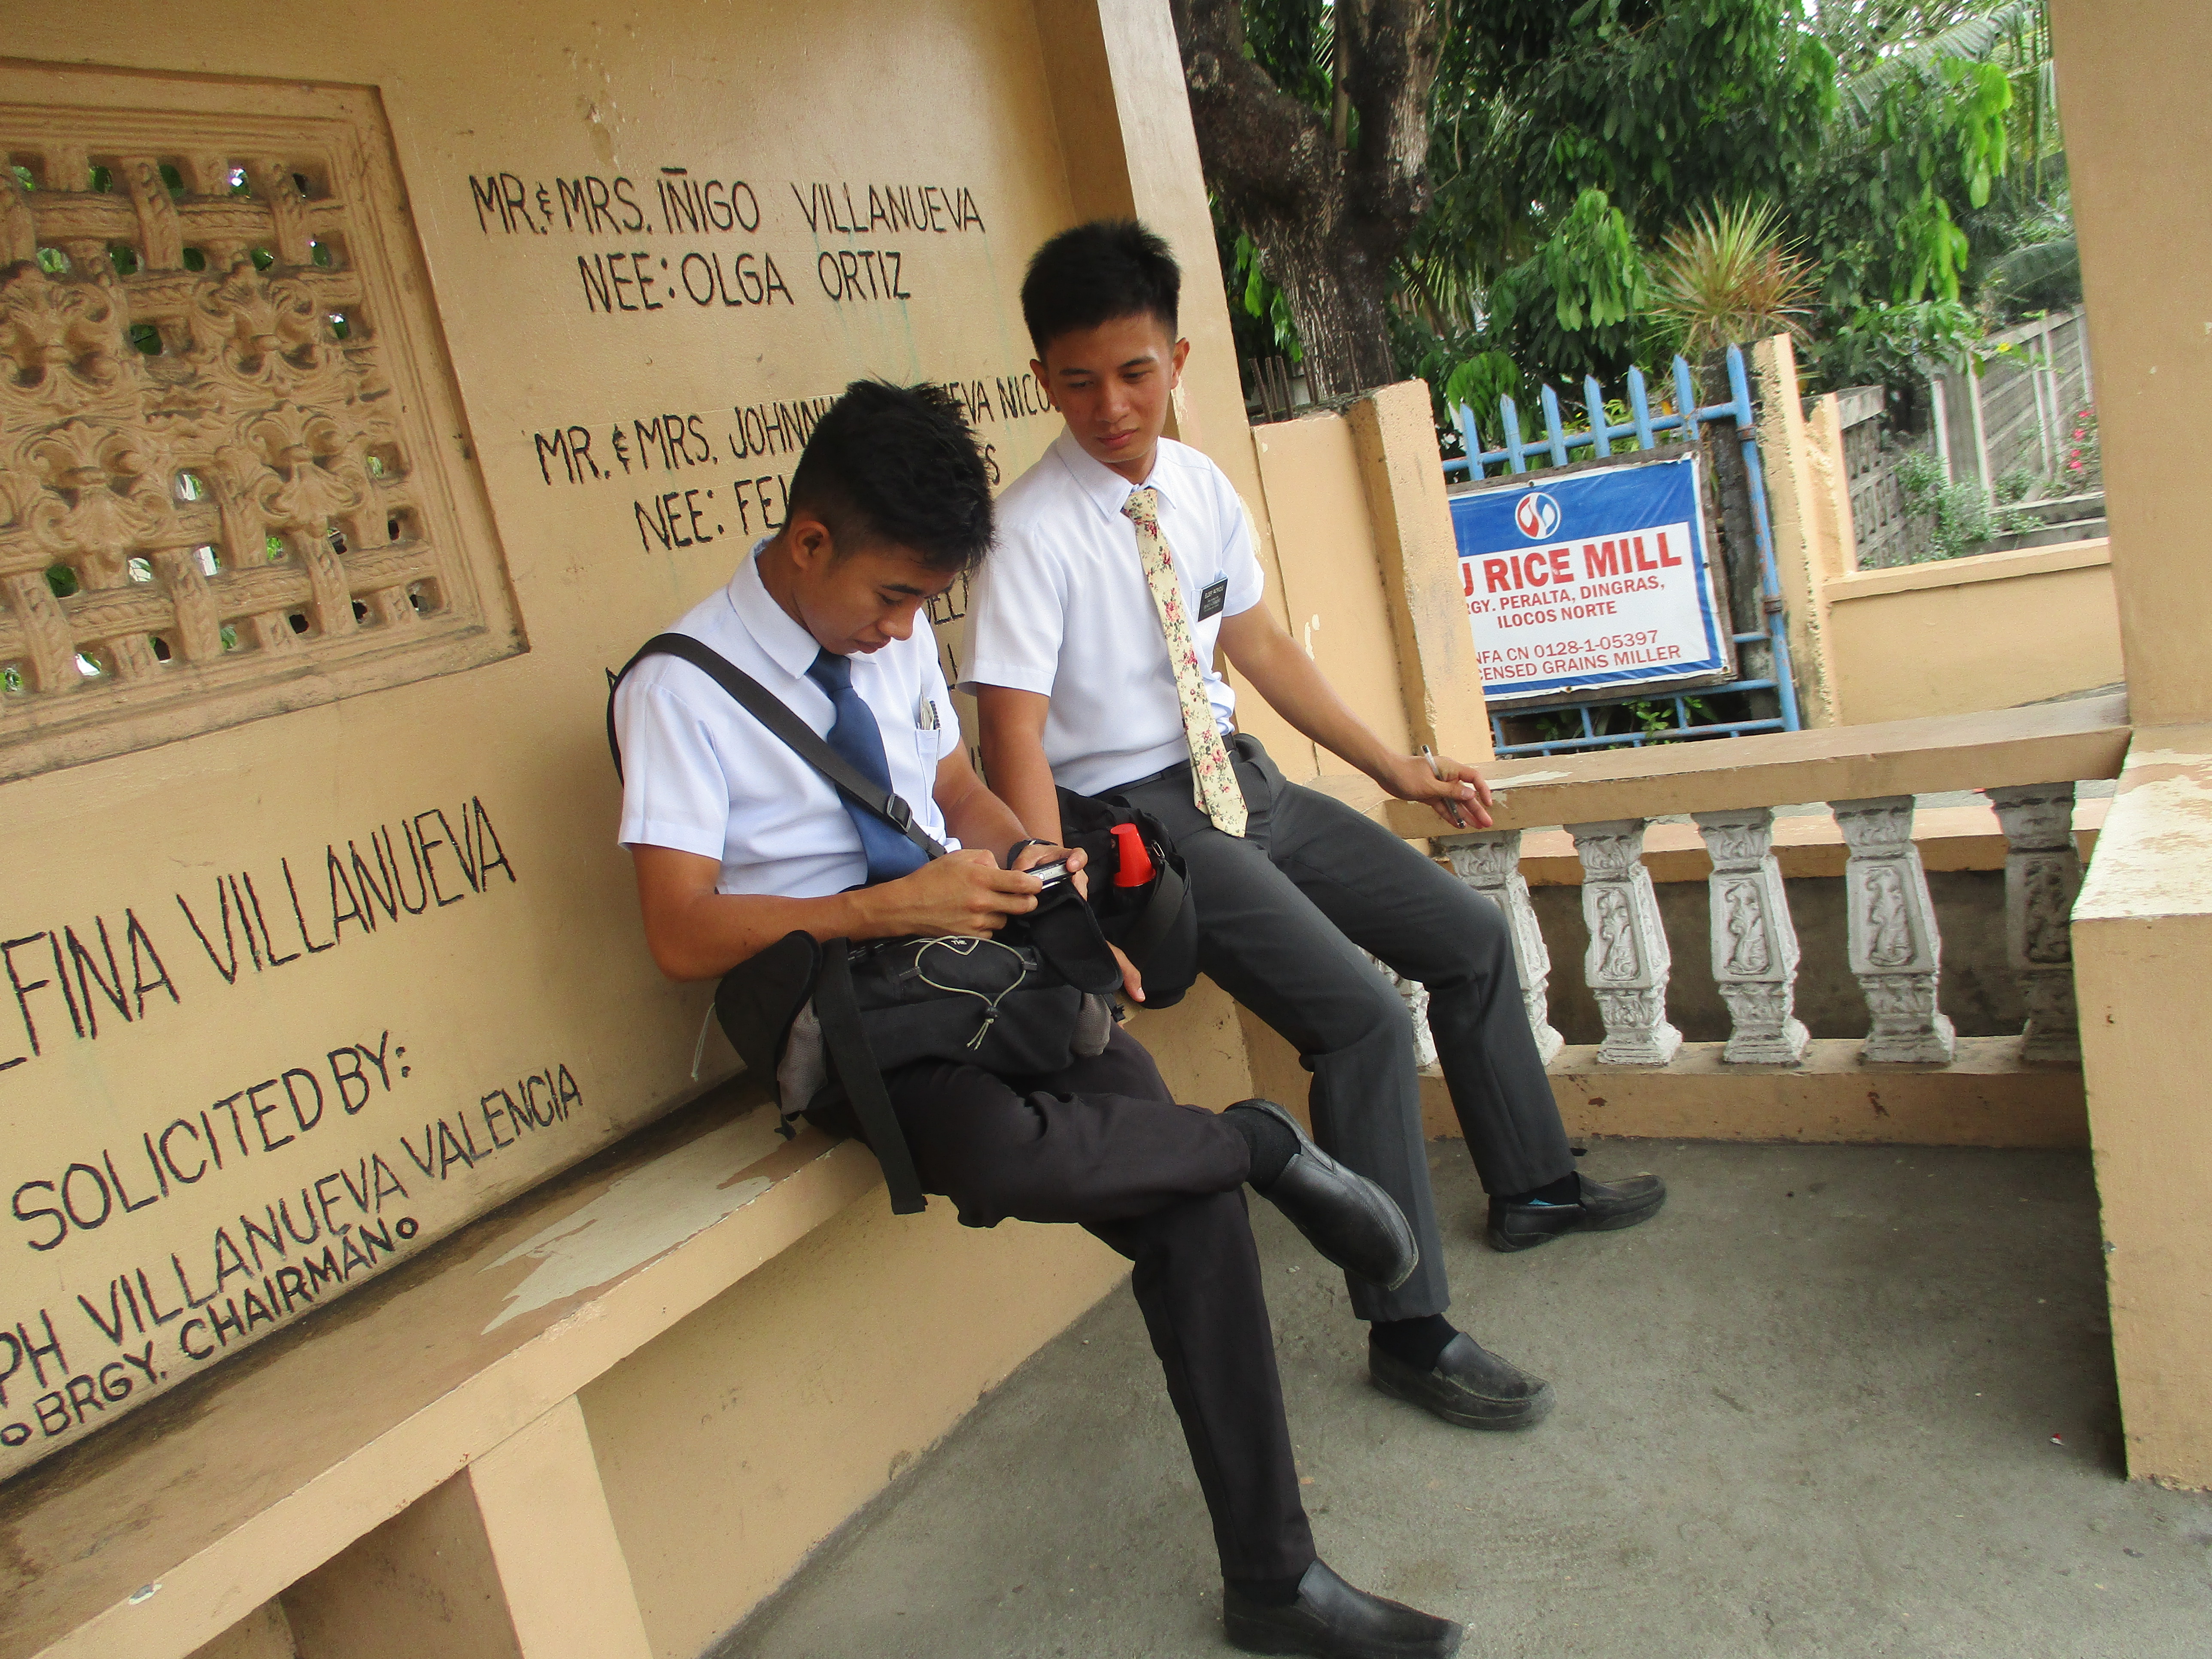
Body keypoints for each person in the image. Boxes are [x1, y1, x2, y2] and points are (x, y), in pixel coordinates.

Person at [614, 379, 1464, 1658]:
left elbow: (949, 780)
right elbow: (679, 932)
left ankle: (1275, 1581)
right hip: (854, 1011)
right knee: (1011, 1155)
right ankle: (1263, 1144)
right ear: (808, 545)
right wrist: (891, 907)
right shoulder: (678, 690)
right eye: (893, 598)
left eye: (924, 605)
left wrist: (1041, 875)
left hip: (981, 960)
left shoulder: (889, 636)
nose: (906, 627)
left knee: (1182, 1206)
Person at [963, 222, 1667, 1435]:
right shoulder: (1027, 533)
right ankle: (1410, 1327)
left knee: (1466, 938)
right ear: (1042, 381)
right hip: (1146, 821)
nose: (1110, 405)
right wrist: (1057, 906)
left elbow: (1261, 648)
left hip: (1247, 779)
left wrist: (1397, 767)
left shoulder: (1196, 489)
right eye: (1077, 380)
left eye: (1133, 372)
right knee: (1357, 1023)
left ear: (1176, 357)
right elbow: (1010, 737)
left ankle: (1535, 1186)